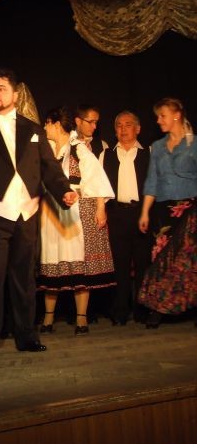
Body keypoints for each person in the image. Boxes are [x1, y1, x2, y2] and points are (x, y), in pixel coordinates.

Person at [0, 68, 77, 359]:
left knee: (25, 279)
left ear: (15, 95)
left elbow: (49, 167)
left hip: (26, 213)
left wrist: (63, 191)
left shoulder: (33, 129)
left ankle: (27, 336)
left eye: (1, 88)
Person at [37, 106, 115, 335]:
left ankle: (81, 319)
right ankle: (48, 318)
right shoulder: (45, 150)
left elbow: (97, 179)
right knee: (52, 261)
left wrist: (100, 208)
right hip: (51, 211)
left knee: (79, 264)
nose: (44, 127)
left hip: (74, 211)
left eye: (47, 123)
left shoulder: (78, 148)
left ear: (56, 124)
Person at [138, 97, 197, 328]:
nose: (158, 120)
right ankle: (158, 307)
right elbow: (151, 181)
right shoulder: (158, 147)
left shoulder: (194, 144)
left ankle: (190, 306)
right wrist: (145, 212)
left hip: (190, 209)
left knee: (188, 262)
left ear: (176, 115)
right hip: (164, 210)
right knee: (162, 258)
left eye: (162, 116)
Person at [100, 111, 152, 325]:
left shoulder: (149, 153)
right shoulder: (106, 154)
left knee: (142, 264)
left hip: (141, 213)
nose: (123, 129)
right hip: (117, 213)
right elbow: (100, 187)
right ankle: (120, 310)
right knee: (120, 265)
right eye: (119, 125)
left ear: (138, 129)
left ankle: (141, 310)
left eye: (128, 125)